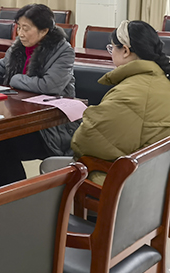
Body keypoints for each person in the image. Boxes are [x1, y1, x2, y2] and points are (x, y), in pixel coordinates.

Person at [0, 3, 77, 186]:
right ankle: (2, 191)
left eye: (26, 28)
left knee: (1, 143)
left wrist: (15, 79)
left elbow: (49, 86)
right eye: (19, 27)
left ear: (44, 31)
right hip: (20, 114)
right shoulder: (18, 47)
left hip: (49, 127)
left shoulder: (63, 51)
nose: (20, 33)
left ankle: (12, 193)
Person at [71, 20, 170, 184]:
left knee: (54, 168)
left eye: (111, 48)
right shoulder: (161, 81)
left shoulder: (130, 92)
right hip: (155, 181)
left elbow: (87, 141)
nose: (111, 53)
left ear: (125, 50)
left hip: (126, 184)